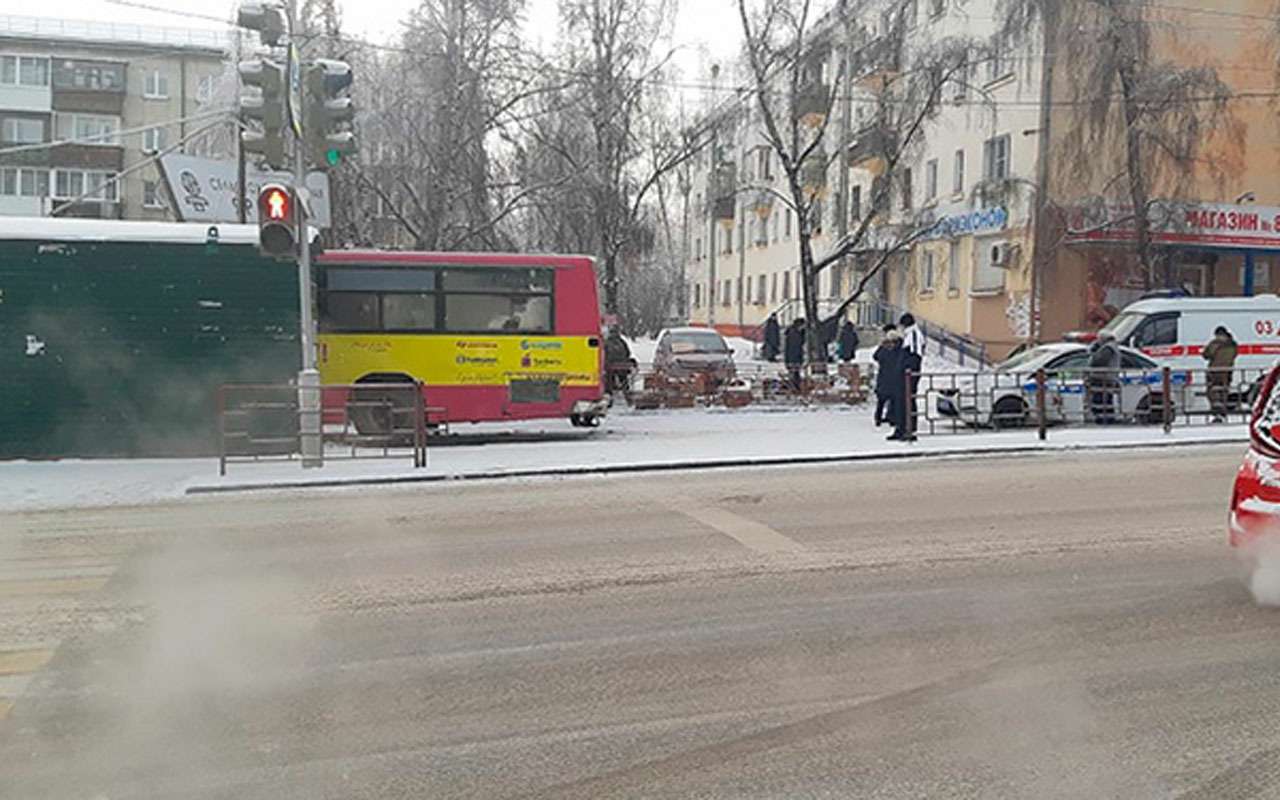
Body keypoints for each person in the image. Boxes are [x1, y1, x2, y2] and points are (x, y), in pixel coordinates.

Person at [1202, 325, 1238, 422]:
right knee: (1224, 392)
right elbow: (1234, 355)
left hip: (1214, 371)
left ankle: (1216, 413)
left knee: (1213, 393)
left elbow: (1206, 355)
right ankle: (1223, 412)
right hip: (1227, 372)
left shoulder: (1215, 344)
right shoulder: (1233, 344)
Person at [898, 313, 925, 441]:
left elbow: (915, 355)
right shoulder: (909, 334)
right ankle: (903, 427)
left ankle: (909, 428)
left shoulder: (914, 334)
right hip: (906, 373)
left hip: (910, 374)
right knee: (905, 400)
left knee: (908, 399)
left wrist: (908, 370)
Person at [1087, 332, 1121, 423]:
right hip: (1107, 377)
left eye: (1098, 339)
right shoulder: (1112, 347)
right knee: (1105, 400)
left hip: (1103, 378)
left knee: (1101, 400)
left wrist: (1094, 351)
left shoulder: (1107, 348)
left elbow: (1098, 362)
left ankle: (1104, 419)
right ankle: (1106, 418)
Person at [873, 325, 900, 427]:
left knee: (881, 400)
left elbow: (876, 357)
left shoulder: (883, 348)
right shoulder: (898, 349)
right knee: (893, 400)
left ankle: (878, 418)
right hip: (894, 378)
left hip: (883, 377)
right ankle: (892, 419)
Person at [784, 317, 806, 393]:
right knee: (794, 374)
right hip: (793, 358)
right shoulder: (794, 334)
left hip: (793, 357)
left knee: (795, 374)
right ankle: (795, 389)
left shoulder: (795, 333)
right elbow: (795, 347)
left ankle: (795, 389)